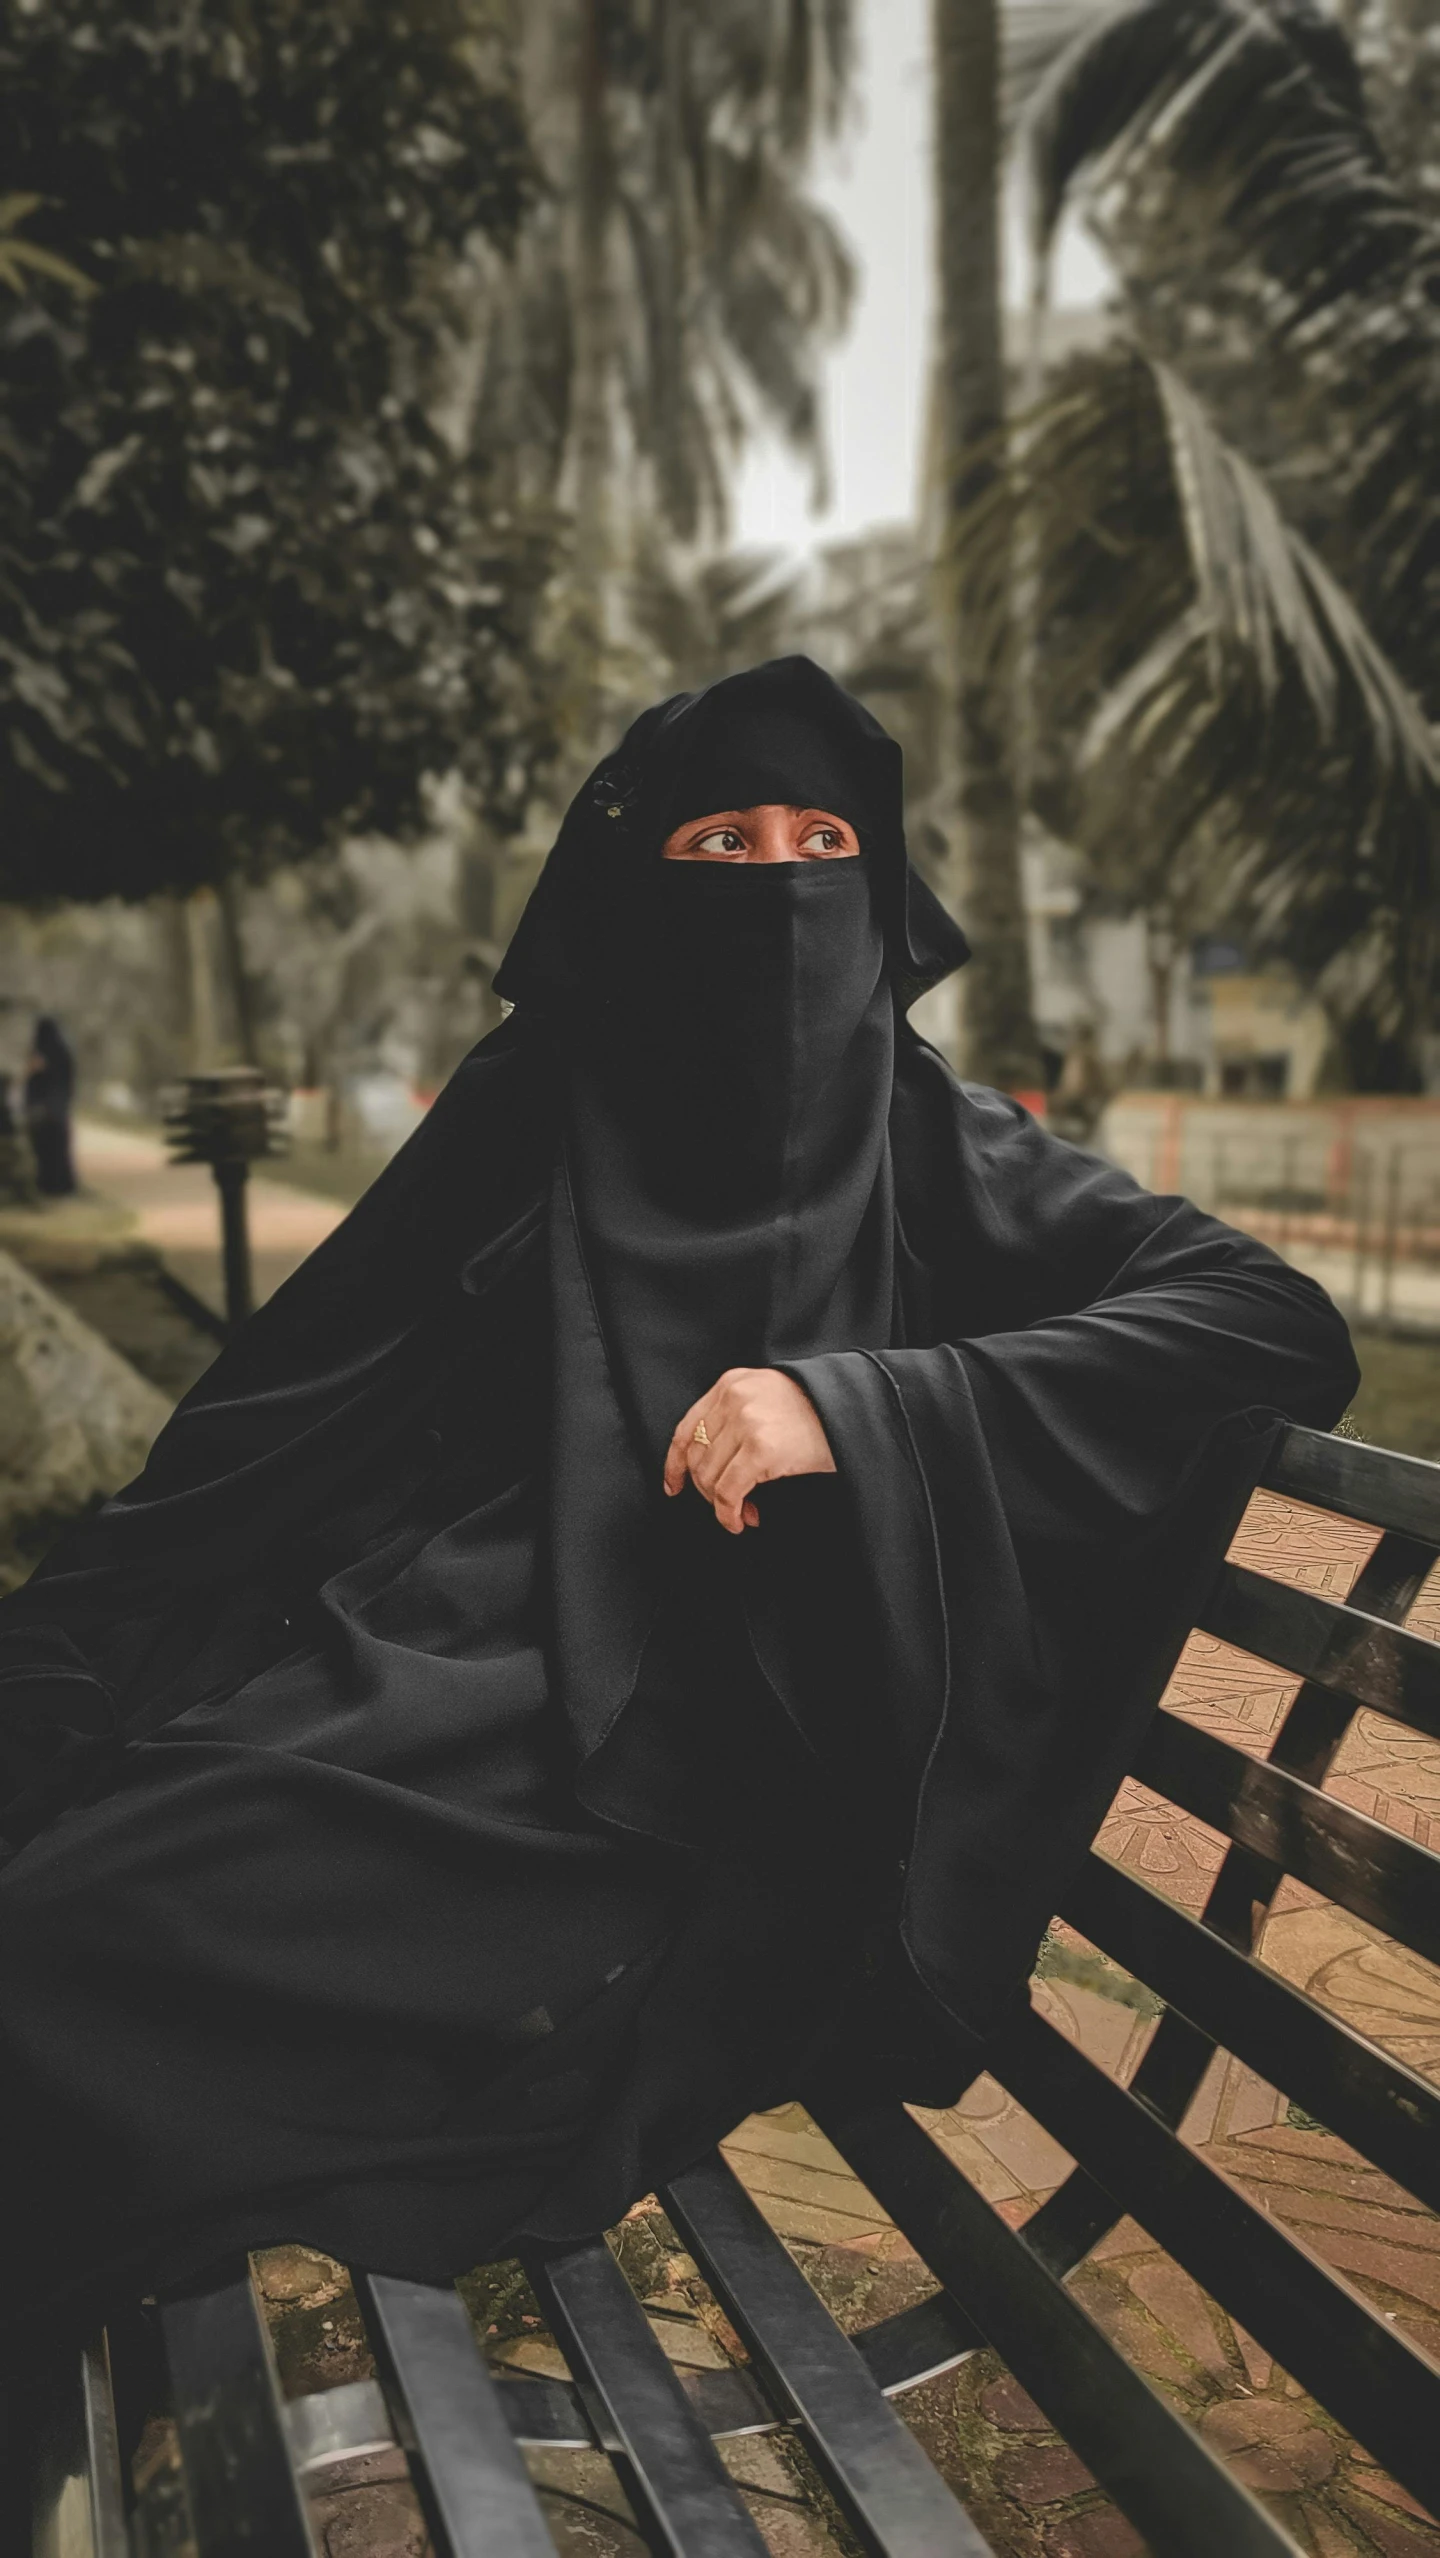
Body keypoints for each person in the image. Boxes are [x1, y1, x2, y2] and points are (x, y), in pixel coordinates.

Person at [0, 660, 1355, 2414]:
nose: (779, 884)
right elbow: (280, 1403)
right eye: (724, 835)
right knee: (73, 1909)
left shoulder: (925, 1132)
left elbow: (1268, 1316)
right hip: (415, 1679)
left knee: (69, 1972)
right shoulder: (540, 1102)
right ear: (639, 881)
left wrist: (857, 1406)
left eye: (823, 840)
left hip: (676, 1791)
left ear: (876, 888)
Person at [23, 1014, 78, 1198]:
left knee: (47, 1150)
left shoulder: (43, 1054)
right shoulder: (63, 1052)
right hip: (58, 1111)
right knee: (57, 1150)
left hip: (45, 1112)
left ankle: (51, 1186)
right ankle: (59, 1186)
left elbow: (33, 1081)